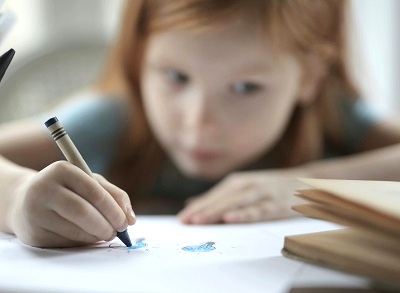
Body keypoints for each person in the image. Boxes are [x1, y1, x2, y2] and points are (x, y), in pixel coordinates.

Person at [1, 0, 400, 248]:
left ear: (311, 76)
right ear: (141, 59)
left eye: (245, 87)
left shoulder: (332, 119)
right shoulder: (114, 118)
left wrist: (307, 186)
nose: (198, 123)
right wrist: (17, 197)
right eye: (175, 77)